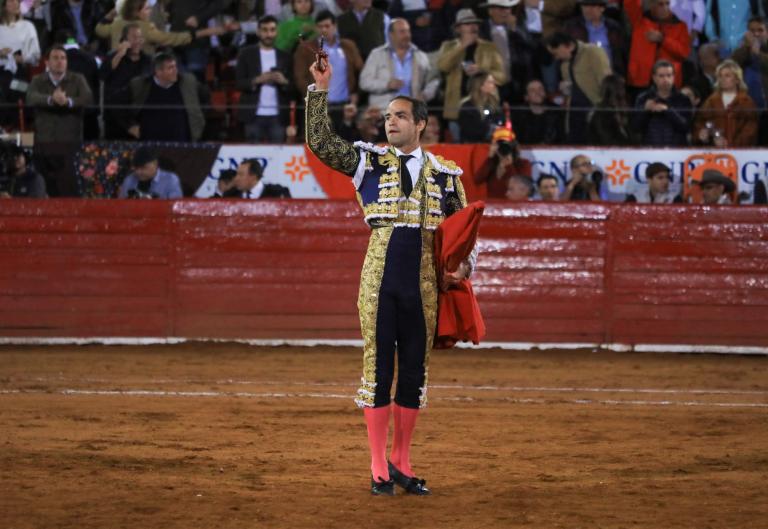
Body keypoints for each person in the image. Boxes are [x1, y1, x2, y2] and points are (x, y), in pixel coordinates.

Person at [305, 51, 474, 496]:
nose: (389, 123)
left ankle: (402, 460)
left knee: (414, 372)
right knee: (379, 370)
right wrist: (321, 90)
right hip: (379, 281)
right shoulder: (367, 161)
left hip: (424, 287)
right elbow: (321, 143)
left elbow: (462, 241)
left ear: (421, 123)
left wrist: (462, 268)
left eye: (399, 116)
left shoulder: (446, 175)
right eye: (386, 117)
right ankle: (378, 465)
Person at [26, 44, 93, 197]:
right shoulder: (38, 80)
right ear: (47, 62)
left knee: (68, 186)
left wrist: (68, 101)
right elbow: (31, 97)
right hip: (44, 141)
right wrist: (51, 99)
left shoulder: (77, 79)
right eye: (55, 58)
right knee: (46, 185)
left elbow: (87, 98)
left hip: (69, 141)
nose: (60, 61)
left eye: (63, 58)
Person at [437, 8, 506, 141]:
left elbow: (502, 76)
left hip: (484, 108)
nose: (473, 26)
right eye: (468, 23)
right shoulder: (448, 46)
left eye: (475, 23)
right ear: (458, 29)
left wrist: (482, 69)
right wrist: (462, 47)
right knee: (460, 149)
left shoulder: (489, 48)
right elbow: (443, 66)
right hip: (456, 109)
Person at [236, 15, 294, 143]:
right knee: (252, 156)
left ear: (277, 32)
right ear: (258, 32)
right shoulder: (246, 54)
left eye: (272, 30)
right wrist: (258, 80)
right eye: (265, 30)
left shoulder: (285, 56)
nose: (269, 34)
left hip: (278, 116)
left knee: (277, 155)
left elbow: (293, 86)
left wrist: (283, 81)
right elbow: (239, 82)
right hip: (253, 115)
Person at [359, 18, 439, 112]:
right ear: (391, 35)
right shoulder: (377, 55)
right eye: (402, 32)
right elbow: (364, 82)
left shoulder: (420, 56)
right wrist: (387, 84)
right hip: (383, 114)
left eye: (408, 31)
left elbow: (433, 80)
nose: (407, 35)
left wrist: (425, 95)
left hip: (411, 114)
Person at [546, 31, 611, 144]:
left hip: (596, 111)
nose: (556, 58)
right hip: (575, 113)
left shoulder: (593, 52)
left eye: (556, 53)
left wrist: (605, 108)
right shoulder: (564, 65)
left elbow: (606, 81)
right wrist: (566, 89)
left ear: (568, 46)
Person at [95, 0, 226, 55]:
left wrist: (110, 14)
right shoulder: (145, 29)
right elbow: (173, 39)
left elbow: (99, 29)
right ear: (137, 12)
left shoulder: (116, 24)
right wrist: (206, 32)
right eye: (147, 9)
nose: (150, 11)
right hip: (141, 72)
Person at [128, 51, 206, 142]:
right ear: (158, 72)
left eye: (175, 66)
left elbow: (204, 99)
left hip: (181, 144)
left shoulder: (188, 83)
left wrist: (198, 122)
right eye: (170, 68)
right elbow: (118, 104)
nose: (175, 70)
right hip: (150, 144)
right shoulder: (140, 85)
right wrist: (130, 125)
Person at [624, 0, 690, 101]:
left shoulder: (680, 26)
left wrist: (663, 40)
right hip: (640, 80)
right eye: (661, 4)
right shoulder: (640, 21)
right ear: (651, 4)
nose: (665, 8)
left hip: (667, 82)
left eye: (667, 4)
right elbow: (630, 3)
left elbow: (684, 53)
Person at [479, 0, 536, 103]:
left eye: (508, 8)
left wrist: (514, 30)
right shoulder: (481, 29)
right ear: (490, 10)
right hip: (490, 83)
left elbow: (530, 47)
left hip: (515, 82)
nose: (506, 12)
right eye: (502, 9)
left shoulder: (518, 26)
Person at [101, 22, 151, 139]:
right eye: (134, 37)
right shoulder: (113, 57)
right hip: (115, 118)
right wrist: (119, 54)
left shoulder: (147, 61)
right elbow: (103, 74)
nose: (138, 41)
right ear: (124, 40)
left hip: (139, 118)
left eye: (140, 37)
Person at [693, 59, 759, 148]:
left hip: (741, 153)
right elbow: (700, 124)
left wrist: (730, 144)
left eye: (727, 76)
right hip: (714, 152)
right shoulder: (710, 101)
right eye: (720, 76)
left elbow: (750, 130)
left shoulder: (746, 102)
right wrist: (702, 135)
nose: (722, 79)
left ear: (737, 79)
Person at [632, 59, 692, 146]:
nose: (666, 79)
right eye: (661, 76)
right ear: (654, 77)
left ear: (674, 77)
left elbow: (686, 127)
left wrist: (668, 111)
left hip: (677, 151)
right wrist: (645, 110)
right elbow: (635, 127)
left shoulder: (683, 99)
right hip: (650, 150)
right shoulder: (643, 98)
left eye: (669, 75)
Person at [0, 0, 41, 127]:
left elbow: (35, 55)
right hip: (1, 72)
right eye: (11, 1)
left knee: (19, 95)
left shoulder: (28, 26)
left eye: (18, 1)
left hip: (20, 73)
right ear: (3, 6)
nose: (16, 4)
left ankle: (18, 132)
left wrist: (22, 58)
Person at [562, 0, 628, 77]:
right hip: (583, 76)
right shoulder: (572, 27)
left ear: (602, 8)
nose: (587, 9)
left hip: (610, 76)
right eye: (584, 6)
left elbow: (622, 54)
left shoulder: (613, 27)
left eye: (592, 6)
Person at [733, 16, 768, 144]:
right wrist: (747, 48)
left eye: (760, 30)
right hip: (746, 113)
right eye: (752, 31)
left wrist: (757, 54)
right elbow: (730, 66)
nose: (756, 34)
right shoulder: (742, 52)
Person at [473, 130, 532, 198]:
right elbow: (477, 180)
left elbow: (522, 187)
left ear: (513, 147)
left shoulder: (524, 164)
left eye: (507, 145)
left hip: (514, 206)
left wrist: (509, 166)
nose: (503, 147)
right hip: (493, 207)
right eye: (500, 145)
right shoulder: (492, 163)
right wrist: (490, 158)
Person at [511, 78, 564, 144]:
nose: (537, 92)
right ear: (526, 97)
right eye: (532, 90)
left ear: (545, 92)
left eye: (540, 89)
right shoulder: (518, 115)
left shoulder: (556, 112)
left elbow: (561, 139)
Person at [118, 146, 183, 199]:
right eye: (136, 168)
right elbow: (121, 205)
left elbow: (176, 205)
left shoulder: (170, 179)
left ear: (155, 164)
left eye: (143, 167)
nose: (138, 172)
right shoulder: (129, 179)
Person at [587, 74, 634, 145]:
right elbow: (607, 140)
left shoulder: (620, 111)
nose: (625, 92)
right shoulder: (602, 114)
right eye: (622, 88)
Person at [457, 71, 503, 143]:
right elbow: (470, 130)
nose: (494, 85)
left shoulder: (494, 105)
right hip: (473, 147)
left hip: (492, 145)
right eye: (490, 82)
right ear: (480, 86)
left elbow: (500, 122)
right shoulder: (467, 106)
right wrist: (491, 129)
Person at [215, 158, 292, 198]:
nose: (236, 178)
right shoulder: (230, 195)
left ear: (253, 177)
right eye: (237, 174)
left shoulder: (278, 193)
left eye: (241, 174)